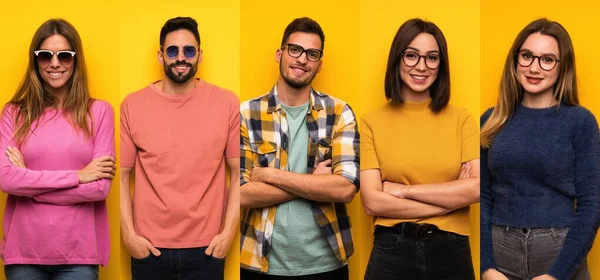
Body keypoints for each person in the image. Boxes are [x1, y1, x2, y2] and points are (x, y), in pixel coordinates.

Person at [119, 17, 240, 280]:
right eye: (172, 51)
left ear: (200, 55)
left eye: (189, 50)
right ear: (160, 55)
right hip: (149, 249)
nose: (181, 58)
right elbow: (122, 176)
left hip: (207, 249)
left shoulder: (227, 103)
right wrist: (129, 236)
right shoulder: (132, 104)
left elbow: (239, 173)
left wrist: (228, 233)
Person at [239, 17, 359, 280]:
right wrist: (314, 183)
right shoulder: (247, 113)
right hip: (259, 263)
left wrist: (268, 175)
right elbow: (241, 195)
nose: (302, 59)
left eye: (312, 54)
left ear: (319, 64)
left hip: (327, 265)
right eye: (295, 50)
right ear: (279, 54)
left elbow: (346, 188)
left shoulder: (339, 112)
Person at [360, 18, 480, 280]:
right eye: (411, 55)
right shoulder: (371, 122)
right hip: (391, 249)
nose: (421, 66)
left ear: (441, 64)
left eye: (432, 58)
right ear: (397, 59)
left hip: (452, 251)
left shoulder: (462, 120)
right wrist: (449, 202)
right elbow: (371, 201)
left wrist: (403, 191)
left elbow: (475, 188)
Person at [480, 18, 600, 280]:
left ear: (562, 66)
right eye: (527, 56)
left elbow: (592, 204)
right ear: (515, 60)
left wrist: (557, 274)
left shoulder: (580, 122)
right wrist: (486, 266)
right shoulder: (490, 121)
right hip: (501, 255)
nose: (534, 67)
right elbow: (483, 197)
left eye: (547, 59)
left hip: (560, 254)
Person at [0, 18, 115, 280]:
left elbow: (100, 188)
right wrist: (78, 176)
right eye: (45, 55)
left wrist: (30, 186)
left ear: (76, 60)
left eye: (64, 55)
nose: (54, 63)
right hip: (24, 252)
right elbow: (7, 179)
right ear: (35, 60)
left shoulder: (99, 112)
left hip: (79, 255)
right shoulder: (13, 113)